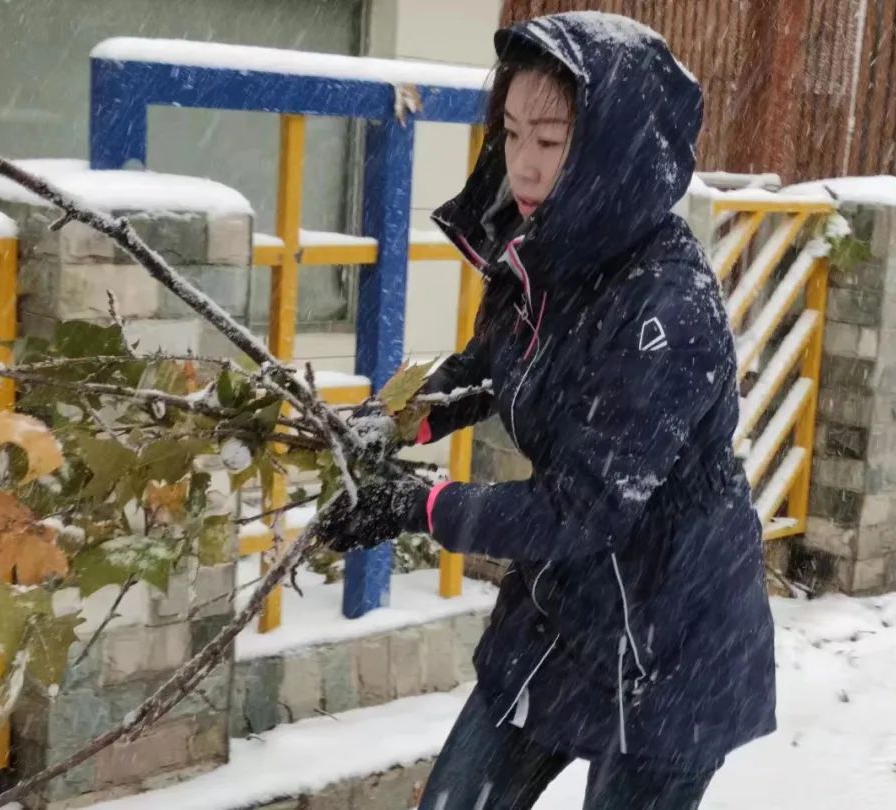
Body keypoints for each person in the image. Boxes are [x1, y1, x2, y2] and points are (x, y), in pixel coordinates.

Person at [316, 11, 776, 810]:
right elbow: (487, 370)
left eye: (552, 140)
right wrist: (394, 418)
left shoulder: (665, 309)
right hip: (561, 613)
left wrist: (416, 505)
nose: (522, 165)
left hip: (672, 642)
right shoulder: (544, 252)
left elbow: (580, 510)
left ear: (610, 148)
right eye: (512, 133)